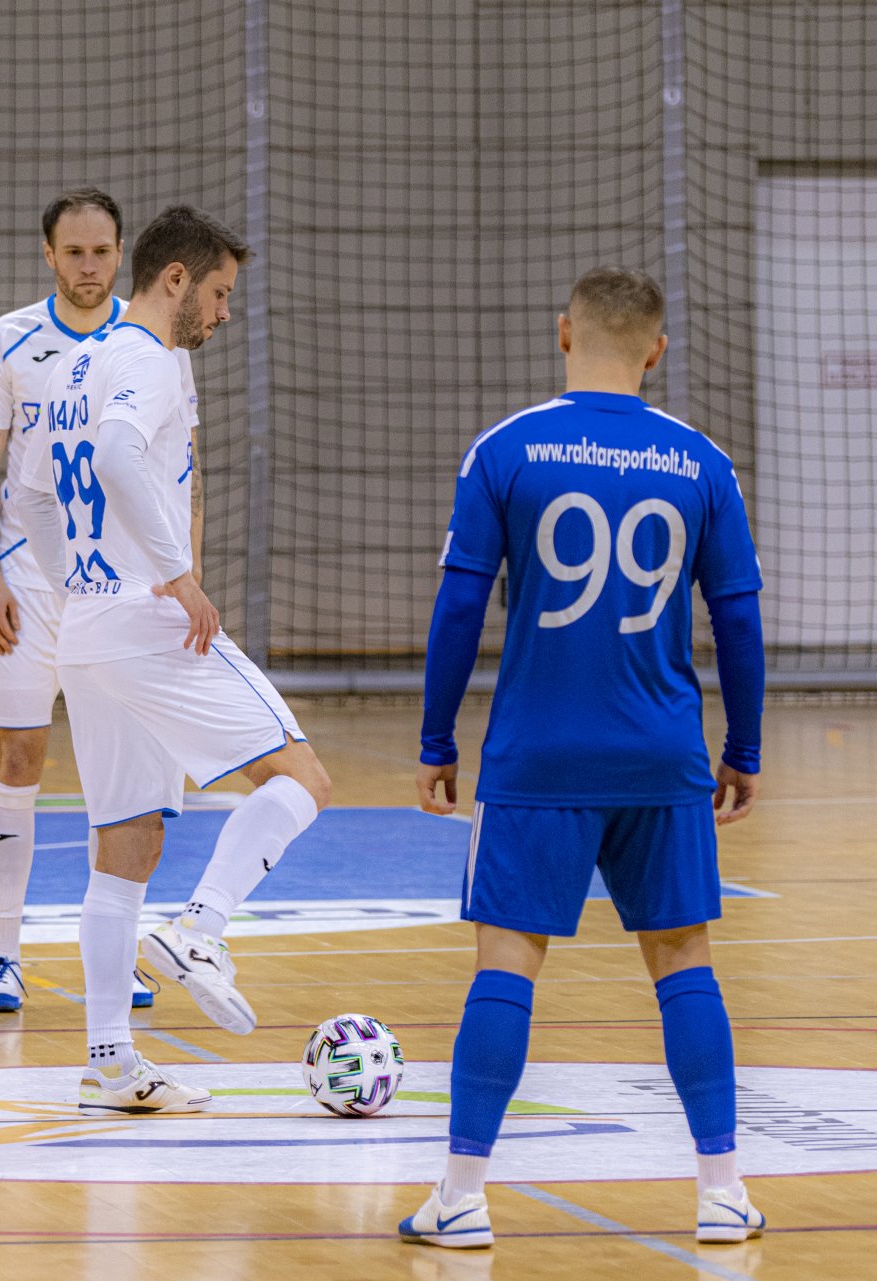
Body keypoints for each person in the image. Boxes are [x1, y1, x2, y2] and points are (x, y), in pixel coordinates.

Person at [399, 266, 765, 1249]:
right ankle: (723, 1191)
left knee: (506, 967)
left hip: (538, 756)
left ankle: (461, 1196)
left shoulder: (506, 449)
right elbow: (737, 621)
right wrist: (743, 747)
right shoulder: (702, 463)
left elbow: (459, 607)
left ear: (564, 333)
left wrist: (436, 738)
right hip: (662, 754)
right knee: (683, 961)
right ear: (657, 350)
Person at [20, 206, 334, 1114]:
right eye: (220, 293)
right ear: (174, 280)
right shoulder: (152, 359)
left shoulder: (71, 365)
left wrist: (79, 584)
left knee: (125, 846)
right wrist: (173, 575)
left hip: (88, 627)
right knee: (303, 777)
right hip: (150, 620)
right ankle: (201, 927)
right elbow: (118, 455)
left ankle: (110, 1062)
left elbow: (31, 495)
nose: (224, 313)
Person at [0, 187, 199, 1013]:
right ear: (49, 255)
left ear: (121, 252)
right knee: (17, 757)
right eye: (74, 253)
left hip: (126, 586)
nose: (90, 267)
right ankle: (3, 956)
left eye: (102, 252)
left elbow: (184, 469)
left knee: (120, 774)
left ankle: (115, 953)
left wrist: (185, 577)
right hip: (30, 579)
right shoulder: (7, 340)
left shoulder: (159, 343)